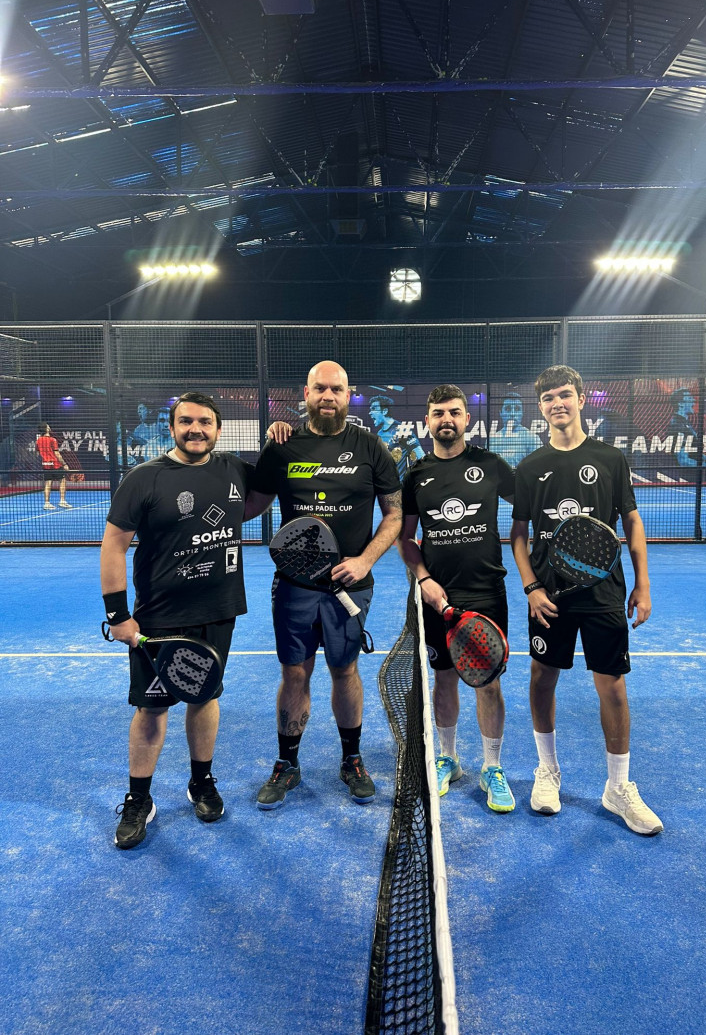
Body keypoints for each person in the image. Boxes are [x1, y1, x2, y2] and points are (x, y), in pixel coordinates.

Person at [100, 392, 270, 849]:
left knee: (205, 695)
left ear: (218, 429)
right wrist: (118, 615)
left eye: (205, 422)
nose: (196, 429)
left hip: (218, 609)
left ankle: (201, 782)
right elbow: (113, 545)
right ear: (173, 427)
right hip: (159, 617)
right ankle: (139, 799)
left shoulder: (233, 469)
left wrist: (278, 442)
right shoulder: (145, 478)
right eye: (186, 421)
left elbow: (257, 498)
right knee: (152, 709)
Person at [510, 365, 662, 835]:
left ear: (580, 399)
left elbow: (631, 521)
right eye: (548, 397)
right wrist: (531, 587)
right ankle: (547, 771)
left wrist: (643, 583)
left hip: (603, 591)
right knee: (542, 678)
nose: (557, 403)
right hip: (549, 596)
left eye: (565, 394)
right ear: (541, 407)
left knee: (612, 687)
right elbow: (518, 535)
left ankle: (618, 788)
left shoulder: (610, 459)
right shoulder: (529, 467)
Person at [251, 361, 402, 809]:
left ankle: (352, 759)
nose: (328, 396)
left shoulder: (370, 447)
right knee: (294, 673)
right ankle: (287, 763)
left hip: (350, 586)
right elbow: (251, 503)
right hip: (294, 586)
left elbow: (394, 515)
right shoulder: (282, 446)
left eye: (336, 389)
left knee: (345, 670)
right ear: (306, 393)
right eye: (320, 388)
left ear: (348, 394)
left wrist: (365, 560)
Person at [398, 384, 517, 813]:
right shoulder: (415, 475)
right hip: (437, 596)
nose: (446, 419)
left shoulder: (490, 465)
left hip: (486, 591)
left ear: (467, 419)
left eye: (453, 412)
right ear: (427, 421)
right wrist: (424, 579)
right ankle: (448, 757)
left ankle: (492, 767)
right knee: (444, 677)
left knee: (488, 681)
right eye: (438, 413)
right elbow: (405, 538)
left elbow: (529, 507)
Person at [368, 395, 425, 476]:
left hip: (401, 483)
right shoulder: (379, 433)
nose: (370, 413)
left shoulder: (402, 430)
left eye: (374, 409)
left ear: (384, 411)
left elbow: (421, 457)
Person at [488, 391, 538, 468]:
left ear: (522, 413)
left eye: (517, 409)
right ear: (500, 412)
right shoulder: (492, 440)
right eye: (508, 409)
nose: (512, 414)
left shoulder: (533, 439)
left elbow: (537, 467)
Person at [35, 422, 71, 510]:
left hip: (45, 464)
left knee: (48, 483)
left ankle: (47, 503)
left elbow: (37, 453)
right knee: (62, 480)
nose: (49, 427)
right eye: (48, 426)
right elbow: (57, 454)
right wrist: (64, 464)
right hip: (55, 464)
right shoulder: (52, 440)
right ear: (46, 429)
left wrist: (45, 457)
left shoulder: (38, 440)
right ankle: (62, 501)